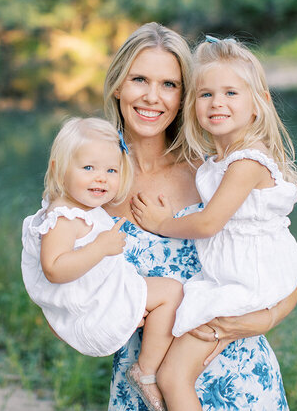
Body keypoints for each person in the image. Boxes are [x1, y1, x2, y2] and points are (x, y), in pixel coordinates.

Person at [103, 22, 297, 410]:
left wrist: (265, 319)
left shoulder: (212, 173)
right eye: (139, 79)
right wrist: (114, 307)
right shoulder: (93, 184)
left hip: (241, 379)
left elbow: (279, 266)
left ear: (182, 96)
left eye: (170, 85)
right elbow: (60, 296)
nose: (152, 97)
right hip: (145, 386)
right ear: (117, 86)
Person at [20, 117, 182, 411]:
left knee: (168, 293)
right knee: (171, 293)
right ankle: (145, 370)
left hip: (102, 293)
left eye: (111, 170)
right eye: (89, 168)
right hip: (92, 305)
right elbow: (54, 269)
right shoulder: (64, 216)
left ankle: (149, 366)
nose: (101, 178)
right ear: (58, 169)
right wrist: (99, 248)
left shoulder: (84, 209)